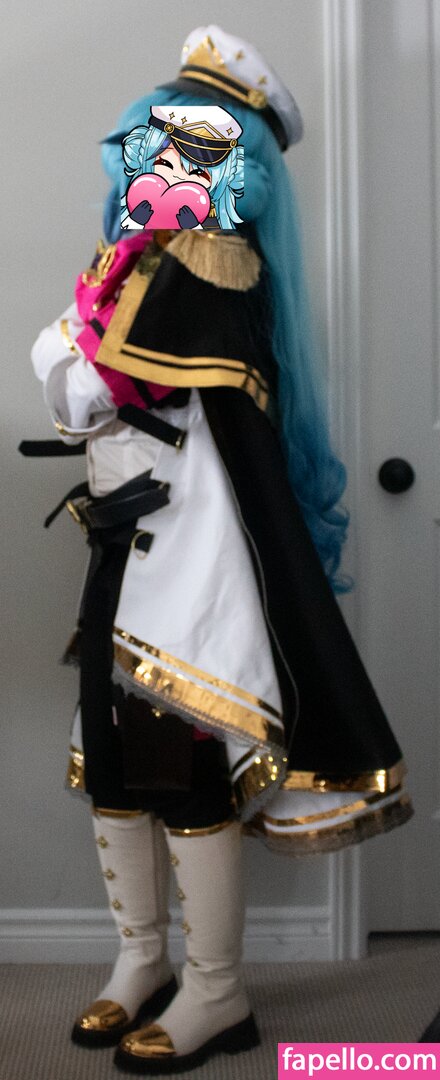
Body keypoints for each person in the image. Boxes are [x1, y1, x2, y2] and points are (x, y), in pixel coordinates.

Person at [30, 25, 413, 1074]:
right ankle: (139, 960)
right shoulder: (141, 262)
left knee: (184, 759)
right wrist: (75, 345)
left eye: (193, 146)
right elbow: (74, 392)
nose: (166, 162)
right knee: (115, 756)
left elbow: (85, 377)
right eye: (161, 140)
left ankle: (216, 991)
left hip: (197, 562)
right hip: (125, 545)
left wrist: (73, 338)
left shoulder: (211, 269)